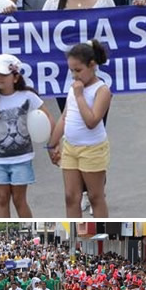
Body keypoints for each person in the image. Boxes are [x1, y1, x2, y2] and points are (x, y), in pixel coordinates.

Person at [0, 53, 51, 217]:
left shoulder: (28, 96)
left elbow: (48, 119)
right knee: (1, 199)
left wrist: (52, 144)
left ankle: (28, 231)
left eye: (3, 74)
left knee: (19, 199)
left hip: (21, 158)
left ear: (16, 77)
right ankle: (6, 231)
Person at [49, 40, 112, 218]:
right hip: (70, 147)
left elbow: (91, 121)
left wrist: (79, 95)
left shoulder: (101, 90)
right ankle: (74, 236)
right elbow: (65, 116)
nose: (74, 76)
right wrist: (52, 143)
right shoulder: (74, 87)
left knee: (95, 196)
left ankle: (101, 233)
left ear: (92, 65)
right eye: (71, 70)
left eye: (78, 70)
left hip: (92, 149)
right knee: (70, 197)